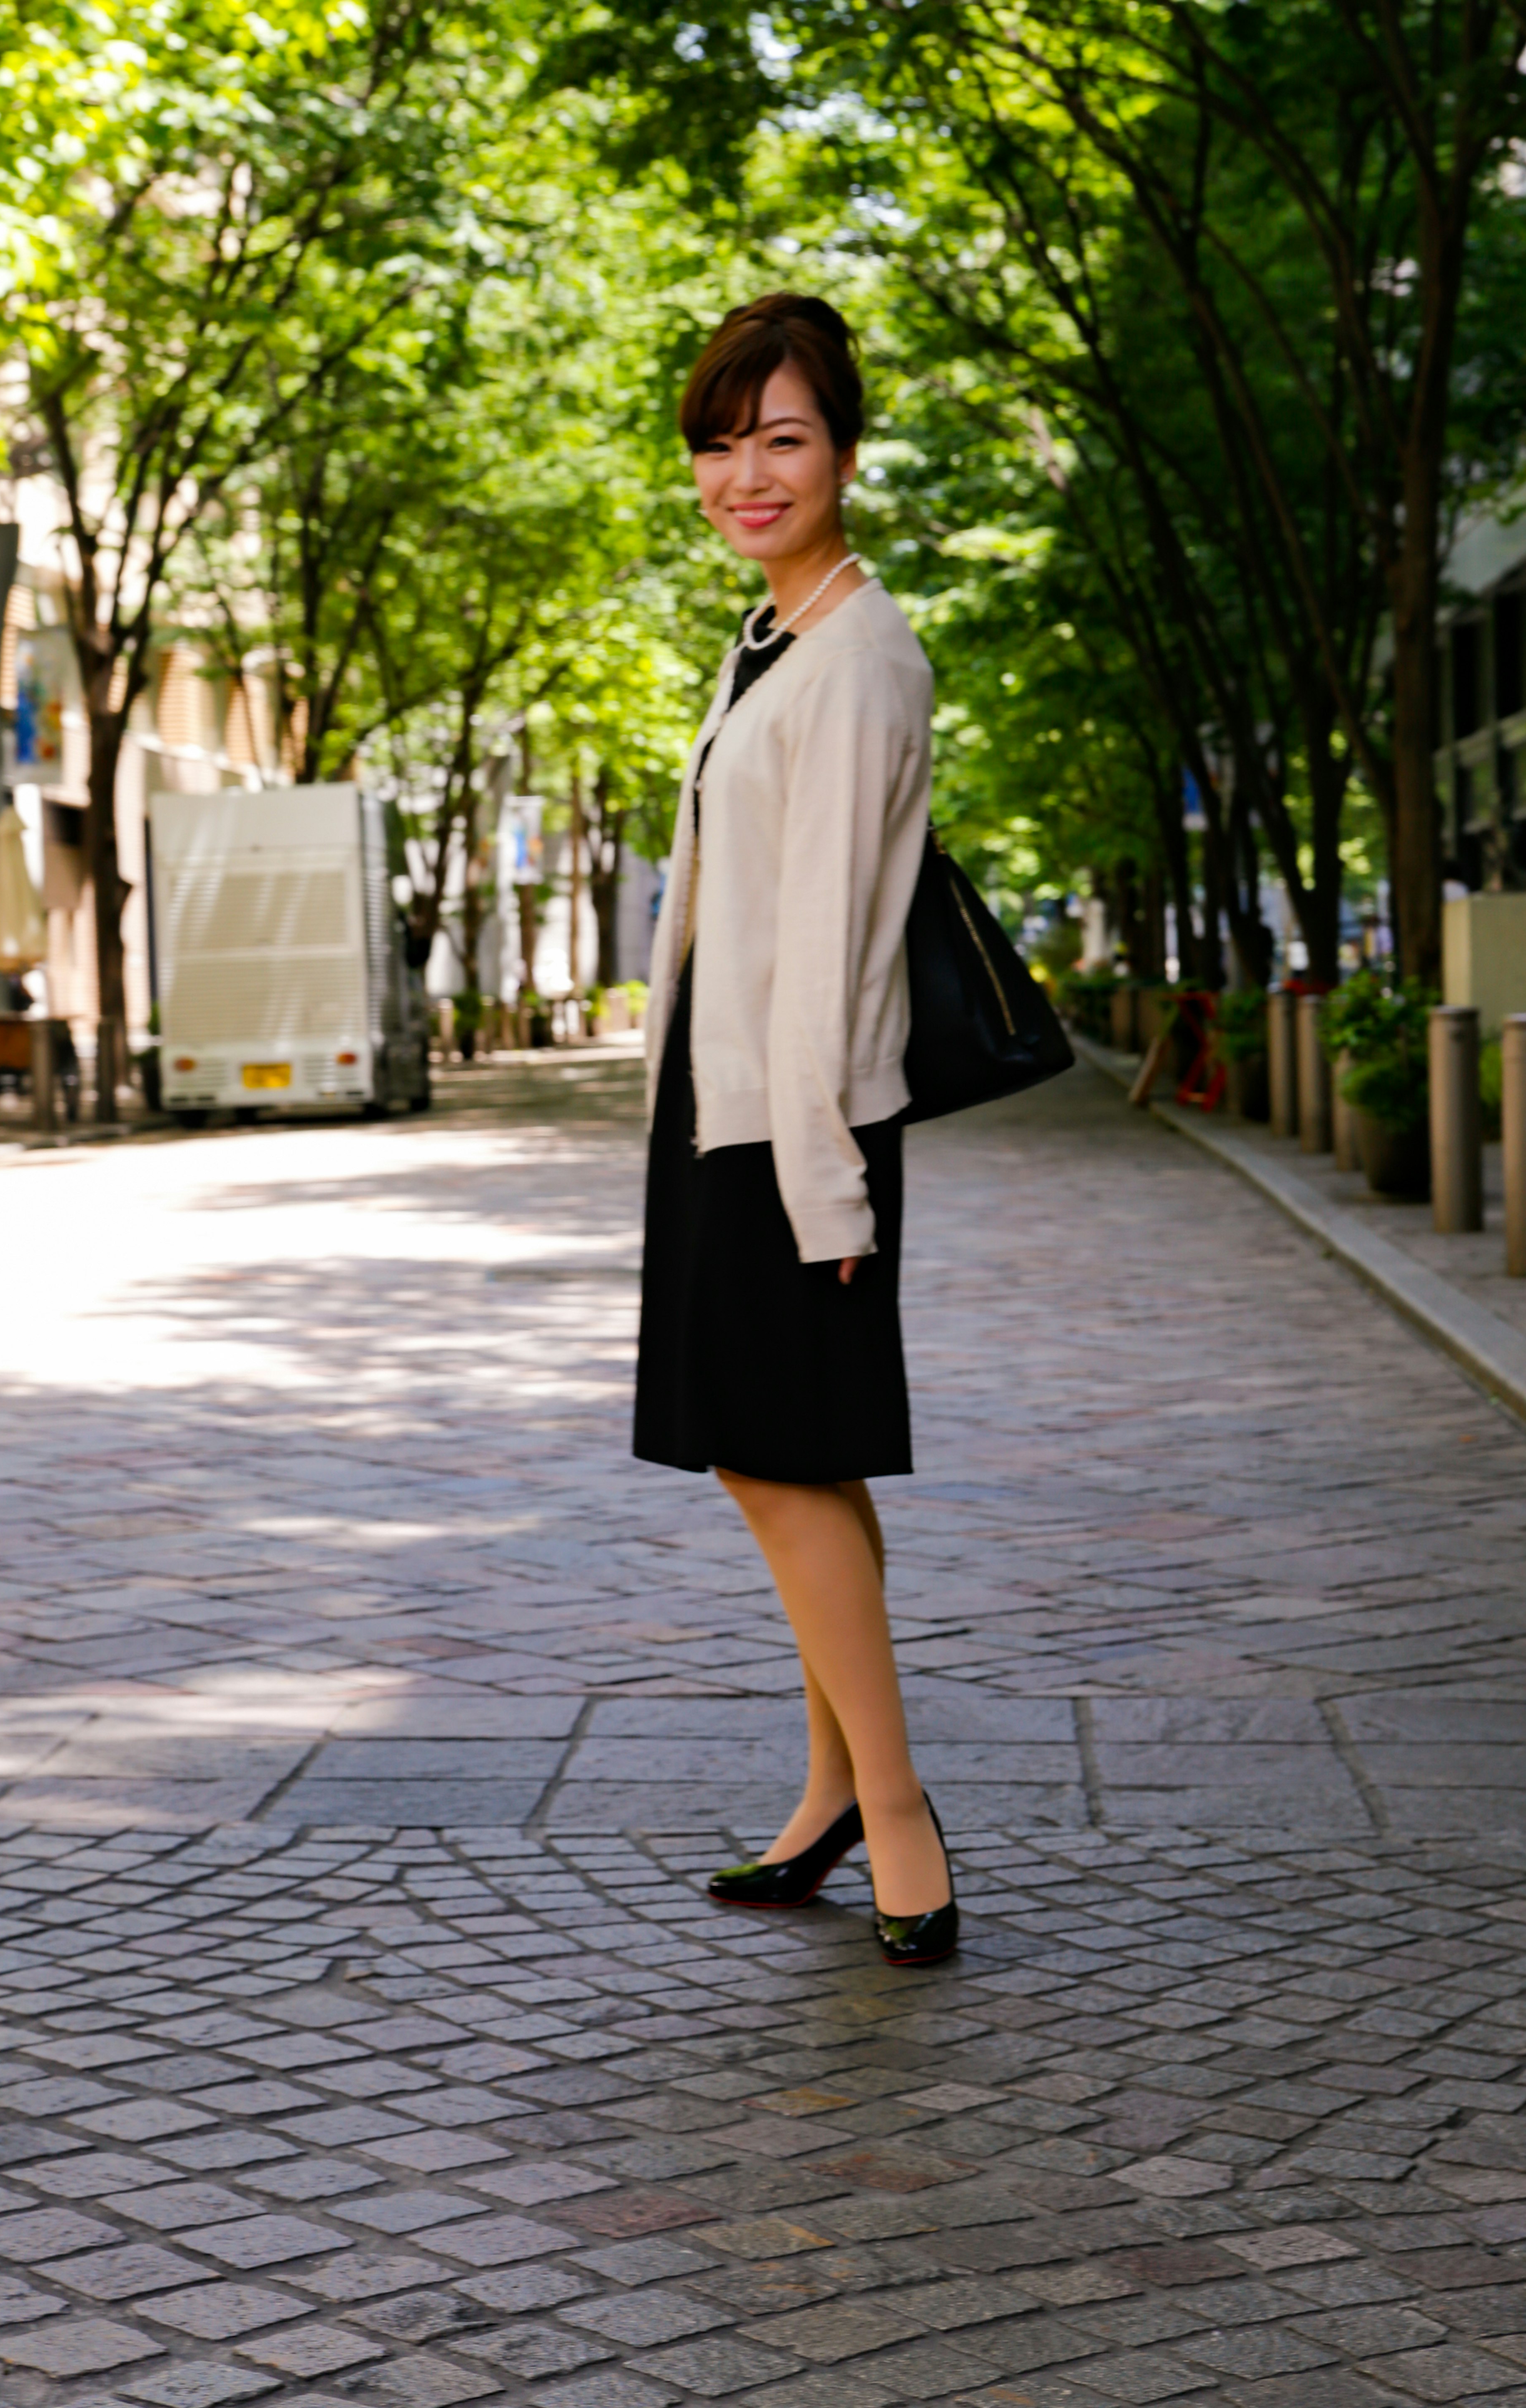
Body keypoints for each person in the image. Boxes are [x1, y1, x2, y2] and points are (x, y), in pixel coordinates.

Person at [633, 292, 956, 1968]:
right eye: (720, 439)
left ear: (844, 453)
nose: (743, 473)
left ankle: (898, 1818)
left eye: (782, 440)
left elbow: (831, 944)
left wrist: (827, 1194)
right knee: (793, 1453)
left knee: (771, 1454)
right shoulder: (773, 636)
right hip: (733, 1108)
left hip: (789, 1124)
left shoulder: (855, 659)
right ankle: (833, 1791)